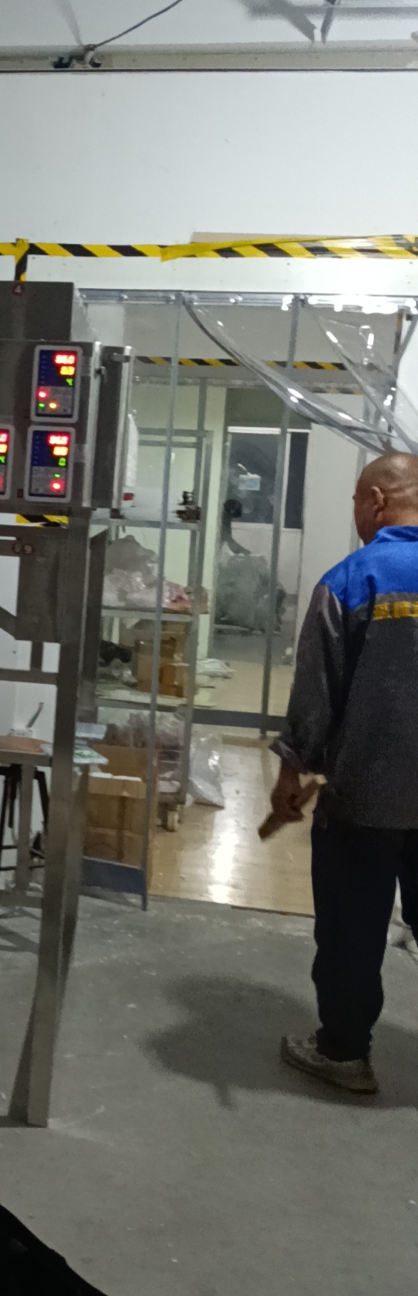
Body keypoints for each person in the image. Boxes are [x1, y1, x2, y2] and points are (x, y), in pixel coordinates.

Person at [271, 450, 418, 1096]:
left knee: (352, 930)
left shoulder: (352, 580)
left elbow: (315, 697)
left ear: (377, 501)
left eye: (358, 499)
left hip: (365, 798)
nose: (356, 512)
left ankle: (344, 1054)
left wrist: (291, 775)